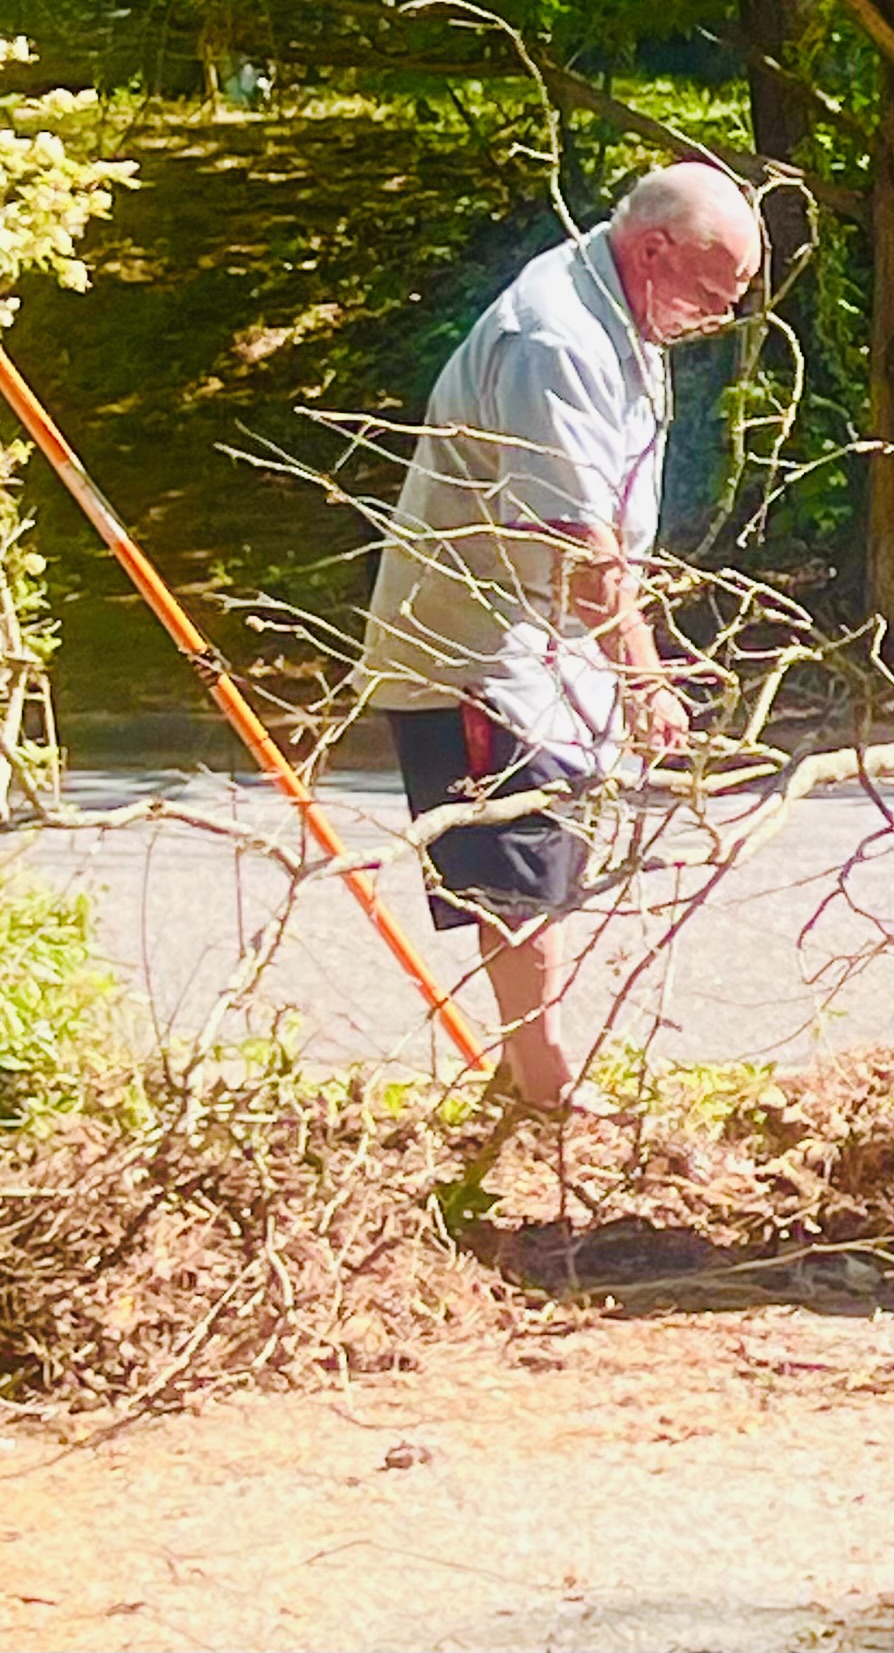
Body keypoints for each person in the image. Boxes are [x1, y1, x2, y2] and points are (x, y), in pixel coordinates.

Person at [357, 163, 763, 1112]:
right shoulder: (556, 337)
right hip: (479, 646)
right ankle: (543, 1087)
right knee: (516, 865)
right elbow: (581, 547)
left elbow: (610, 529)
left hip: (550, 645)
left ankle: (523, 1071)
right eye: (712, 292)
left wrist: (630, 651)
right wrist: (646, 679)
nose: (716, 316)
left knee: (553, 852)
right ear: (653, 248)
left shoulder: (627, 309)